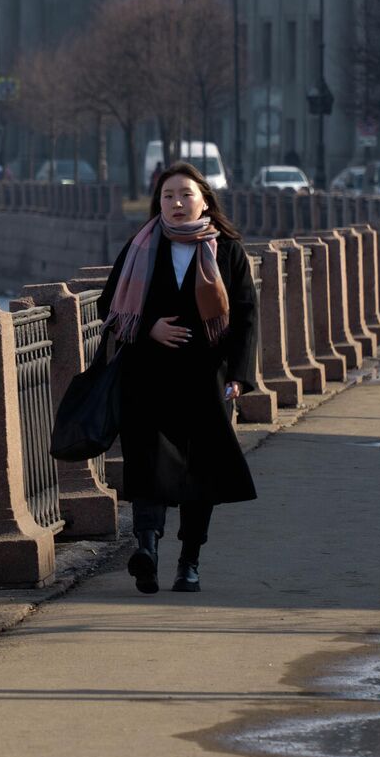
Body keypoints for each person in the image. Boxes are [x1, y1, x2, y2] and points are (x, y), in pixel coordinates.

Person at [96, 162, 258, 595]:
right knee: (146, 463)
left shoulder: (227, 251)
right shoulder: (141, 246)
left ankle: (190, 562)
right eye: (168, 196)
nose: (177, 203)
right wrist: (150, 326)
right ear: (159, 203)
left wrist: (240, 376)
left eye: (186, 194)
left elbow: (245, 317)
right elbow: (108, 304)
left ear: (205, 199)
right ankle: (146, 549)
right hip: (148, 376)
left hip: (207, 379)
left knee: (199, 473)